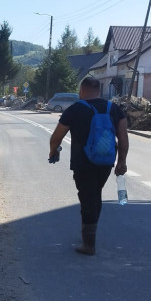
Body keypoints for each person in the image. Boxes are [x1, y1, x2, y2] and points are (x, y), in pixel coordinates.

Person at [48, 76, 128, 256]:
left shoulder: (75, 109)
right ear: (99, 90)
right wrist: (121, 161)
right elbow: (123, 137)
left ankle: (88, 244)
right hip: (106, 162)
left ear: (82, 90)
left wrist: (54, 151)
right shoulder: (114, 109)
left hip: (83, 163)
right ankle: (89, 235)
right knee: (95, 195)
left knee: (87, 198)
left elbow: (56, 137)